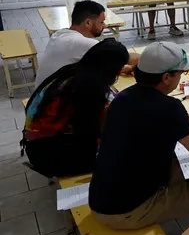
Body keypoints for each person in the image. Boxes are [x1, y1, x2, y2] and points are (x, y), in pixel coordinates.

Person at [89, 42, 189, 231]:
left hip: (103, 196)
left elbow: (168, 121)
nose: (182, 77)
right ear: (166, 77)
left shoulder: (124, 98)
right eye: (180, 73)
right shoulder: (168, 106)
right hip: (125, 211)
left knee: (186, 171)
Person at [22, 39, 129, 178]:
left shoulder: (75, 71)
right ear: (110, 68)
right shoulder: (88, 88)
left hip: (37, 143)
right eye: (118, 68)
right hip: (47, 153)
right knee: (123, 151)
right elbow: (96, 129)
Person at [35, 0, 137, 87]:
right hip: (51, 104)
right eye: (101, 22)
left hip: (42, 99)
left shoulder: (59, 34)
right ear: (88, 23)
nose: (105, 26)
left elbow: (100, 64)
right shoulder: (82, 43)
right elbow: (126, 58)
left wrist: (121, 68)